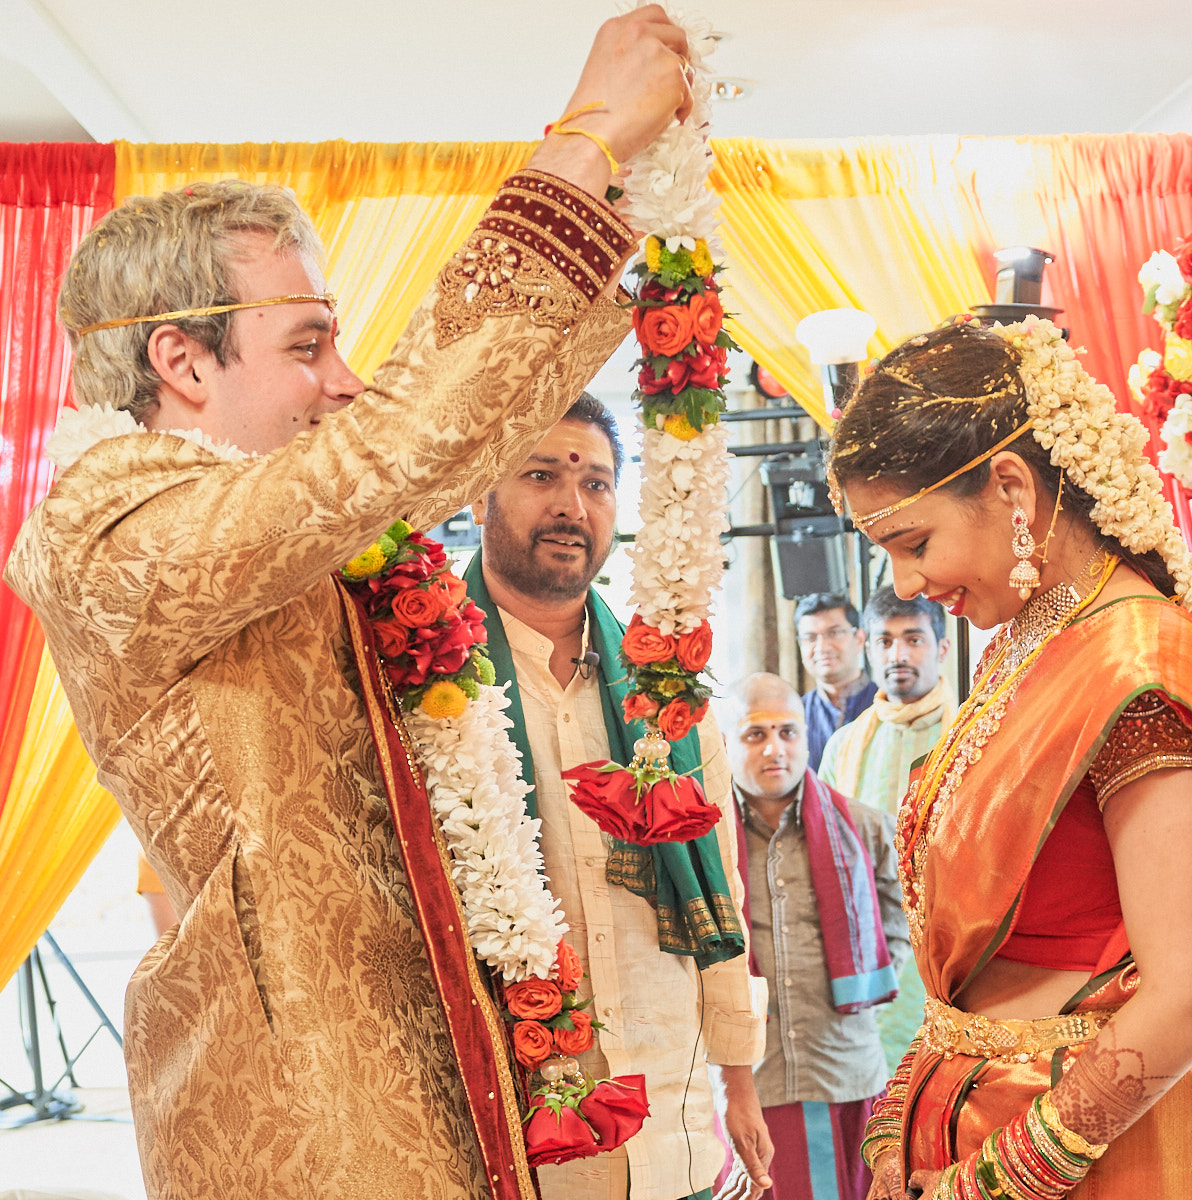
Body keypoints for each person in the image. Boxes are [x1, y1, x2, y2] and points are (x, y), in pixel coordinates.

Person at [3, 12, 693, 1198]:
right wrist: (580, 142)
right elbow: (400, 445)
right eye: (310, 342)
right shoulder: (108, 527)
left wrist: (622, 176)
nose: (346, 379)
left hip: (424, 1054)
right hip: (301, 1105)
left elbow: (419, 419)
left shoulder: (291, 522)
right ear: (180, 363)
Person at [828, 318, 1192, 1199]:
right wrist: (908, 1119)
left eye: (913, 542)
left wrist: (1000, 1179)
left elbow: (1188, 994)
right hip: (980, 1120)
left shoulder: (1135, 666)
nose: (904, 586)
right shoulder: (1030, 638)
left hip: (1102, 1152)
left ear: (1011, 487)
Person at [461, 396, 773, 1200]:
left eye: (596, 484)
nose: (571, 505)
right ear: (477, 495)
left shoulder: (667, 692)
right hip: (518, 1138)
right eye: (541, 475)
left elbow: (723, 895)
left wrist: (739, 1084)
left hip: (674, 1121)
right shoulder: (429, 689)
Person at [722, 673, 908, 1200]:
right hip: (749, 1083)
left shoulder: (865, 827)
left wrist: (852, 994)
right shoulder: (703, 840)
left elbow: (899, 930)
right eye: (755, 734)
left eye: (788, 732)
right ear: (726, 743)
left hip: (844, 1068)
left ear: (807, 737)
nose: (775, 748)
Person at [817, 588, 954, 816]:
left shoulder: (968, 736)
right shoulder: (841, 746)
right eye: (884, 642)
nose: (897, 656)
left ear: (942, 649)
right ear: (869, 652)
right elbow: (828, 836)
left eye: (914, 640)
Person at [793, 594, 876, 771]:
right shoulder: (793, 716)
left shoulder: (888, 707)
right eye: (810, 637)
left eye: (834, 633)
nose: (822, 647)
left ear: (860, 638)